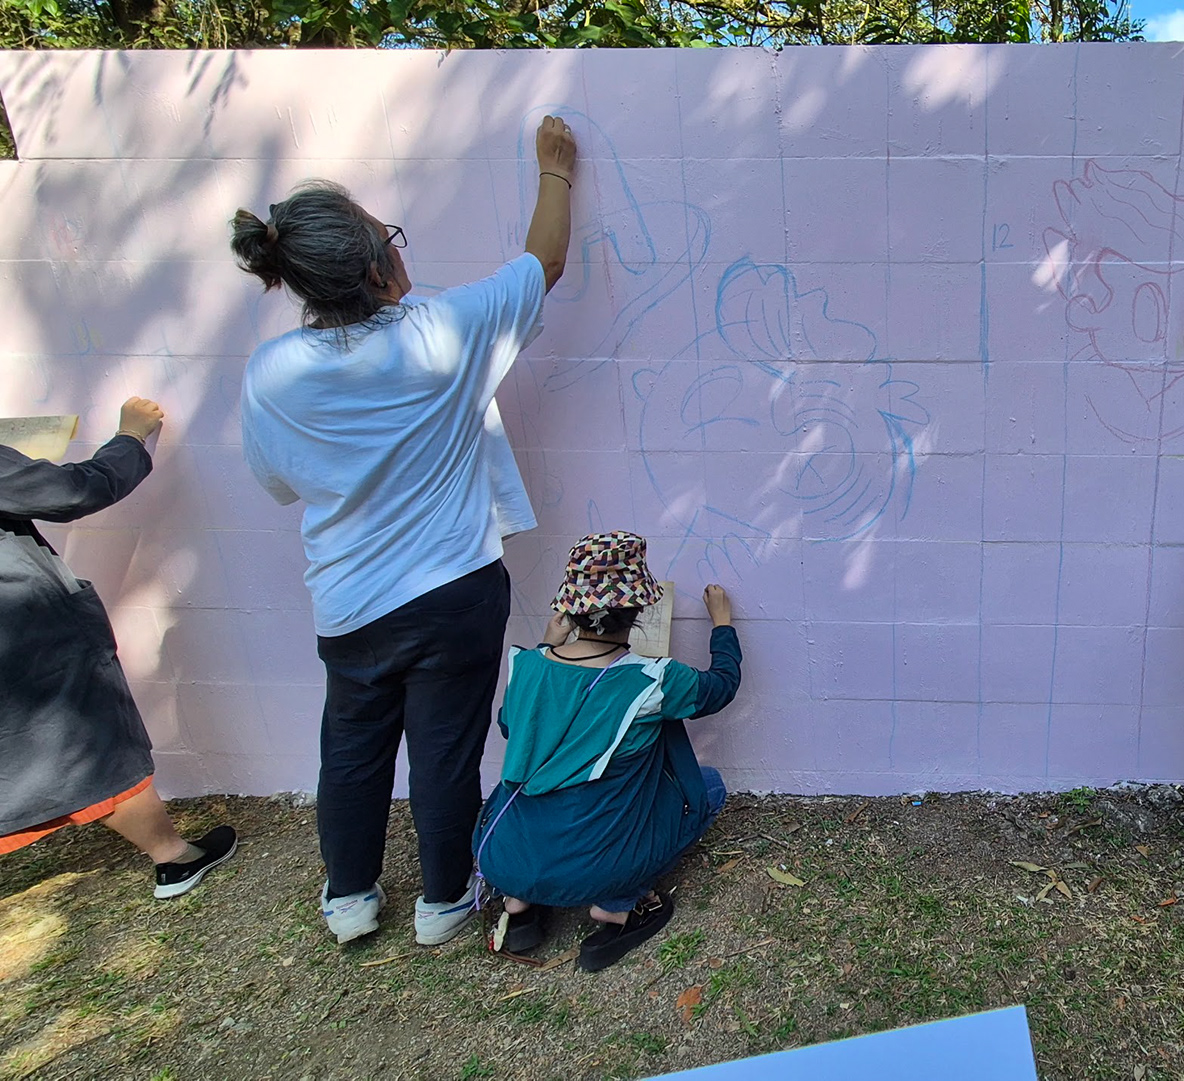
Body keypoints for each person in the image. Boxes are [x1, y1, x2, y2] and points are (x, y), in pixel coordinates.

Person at [228, 115, 578, 946]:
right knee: (444, 751)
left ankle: (350, 898)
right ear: (378, 267)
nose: (398, 245)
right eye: (389, 236)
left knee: (351, 748)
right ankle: (443, 901)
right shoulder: (443, 331)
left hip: (349, 598)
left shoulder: (272, 373)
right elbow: (545, 263)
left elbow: (278, 484)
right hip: (454, 590)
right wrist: (555, 172)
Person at [474, 531, 741, 973]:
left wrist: (546, 644)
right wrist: (723, 623)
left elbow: (510, 725)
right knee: (709, 787)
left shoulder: (527, 665)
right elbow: (722, 686)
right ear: (638, 611)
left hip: (505, 858)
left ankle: (518, 906)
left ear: (570, 612)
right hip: (598, 868)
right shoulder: (653, 680)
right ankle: (616, 907)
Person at [0, 397, 236, 896]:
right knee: (90, 739)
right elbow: (74, 491)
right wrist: (130, 438)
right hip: (24, 634)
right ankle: (173, 856)